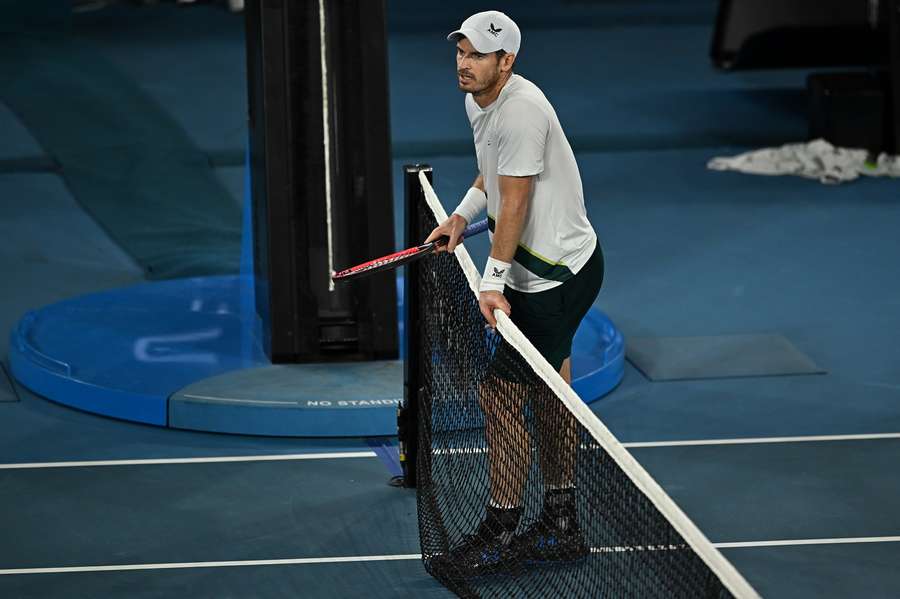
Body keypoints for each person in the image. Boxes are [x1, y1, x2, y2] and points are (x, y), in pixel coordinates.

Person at [424, 10, 605, 578]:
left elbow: (519, 199)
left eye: (477, 55)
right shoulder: (480, 99)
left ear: (508, 60)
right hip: (545, 270)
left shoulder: (522, 110)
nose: (464, 63)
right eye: (461, 51)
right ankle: (560, 518)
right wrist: (459, 216)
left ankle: (505, 528)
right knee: (552, 393)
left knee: (500, 399)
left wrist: (492, 279)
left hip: (553, 278)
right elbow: (492, 177)